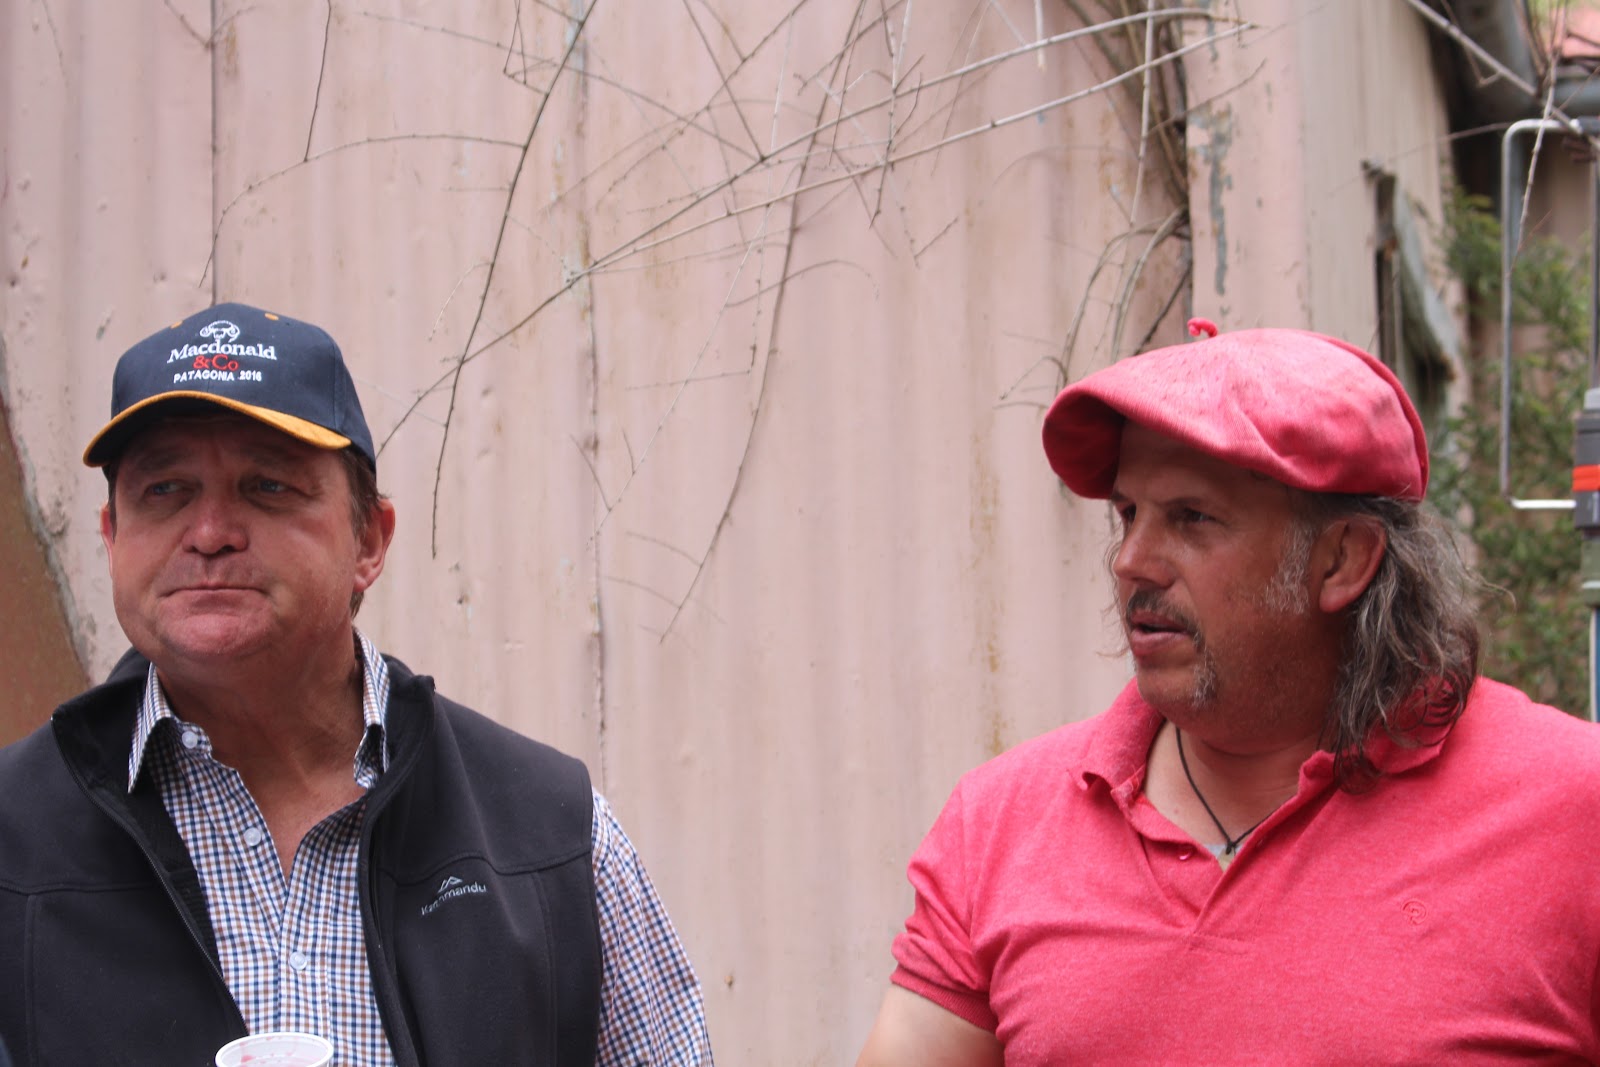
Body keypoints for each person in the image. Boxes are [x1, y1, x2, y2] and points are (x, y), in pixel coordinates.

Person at [855, 319, 1600, 1065]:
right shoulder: (1002, 824)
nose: (1131, 560)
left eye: (1193, 517)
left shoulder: (1573, 810)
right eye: (1128, 514)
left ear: (1343, 560)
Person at [0, 303, 713, 1066]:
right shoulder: (13, 841)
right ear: (112, 538)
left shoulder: (552, 844)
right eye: (165, 489)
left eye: (267, 485)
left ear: (369, 538)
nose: (210, 534)